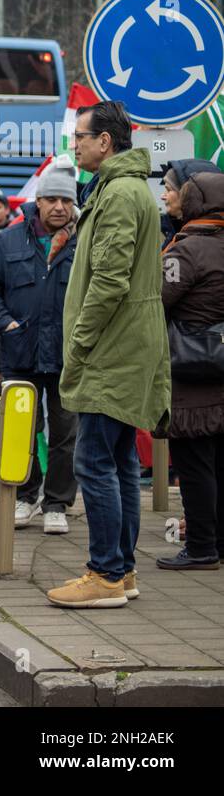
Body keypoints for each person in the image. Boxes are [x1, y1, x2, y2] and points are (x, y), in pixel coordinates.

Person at [49, 101, 170, 609]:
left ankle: (103, 575)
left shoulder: (119, 192)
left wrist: (78, 342)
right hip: (124, 348)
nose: (74, 144)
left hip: (109, 350)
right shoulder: (126, 188)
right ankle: (122, 571)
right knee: (118, 463)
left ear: (106, 142)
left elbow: (109, 281)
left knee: (94, 462)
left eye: (80, 137)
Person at [0, 164, 80, 533]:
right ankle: (25, 496)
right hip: (21, 354)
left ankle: (57, 504)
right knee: (21, 430)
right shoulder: (9, 240)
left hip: (69, 358)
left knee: (66, 435)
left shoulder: (85, 241)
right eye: (52, 199)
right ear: (38, 201)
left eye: (66, 200)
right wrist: (5, 322)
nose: (59, 207)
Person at [156, 166, 224, 570]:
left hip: (190, 377)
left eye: (173, 190)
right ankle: (218, 541)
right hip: (220, 372)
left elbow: (154, 301)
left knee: (194, 467)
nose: (167, 196)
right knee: (219, 464)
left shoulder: (186, 250)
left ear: (196, 200)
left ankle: (200, 547)